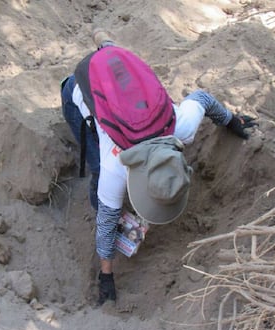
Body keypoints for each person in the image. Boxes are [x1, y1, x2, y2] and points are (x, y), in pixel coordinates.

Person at [60, 29, 257, 305]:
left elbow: (203, 99)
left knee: (112, 59)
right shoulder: (115, 165)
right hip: (81, 85)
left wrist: (231, 121)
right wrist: (106, 276)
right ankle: (104, 49)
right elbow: (106, 223)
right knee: (97, 174)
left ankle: (106, 45)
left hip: (121, 72)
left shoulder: (181, 127)